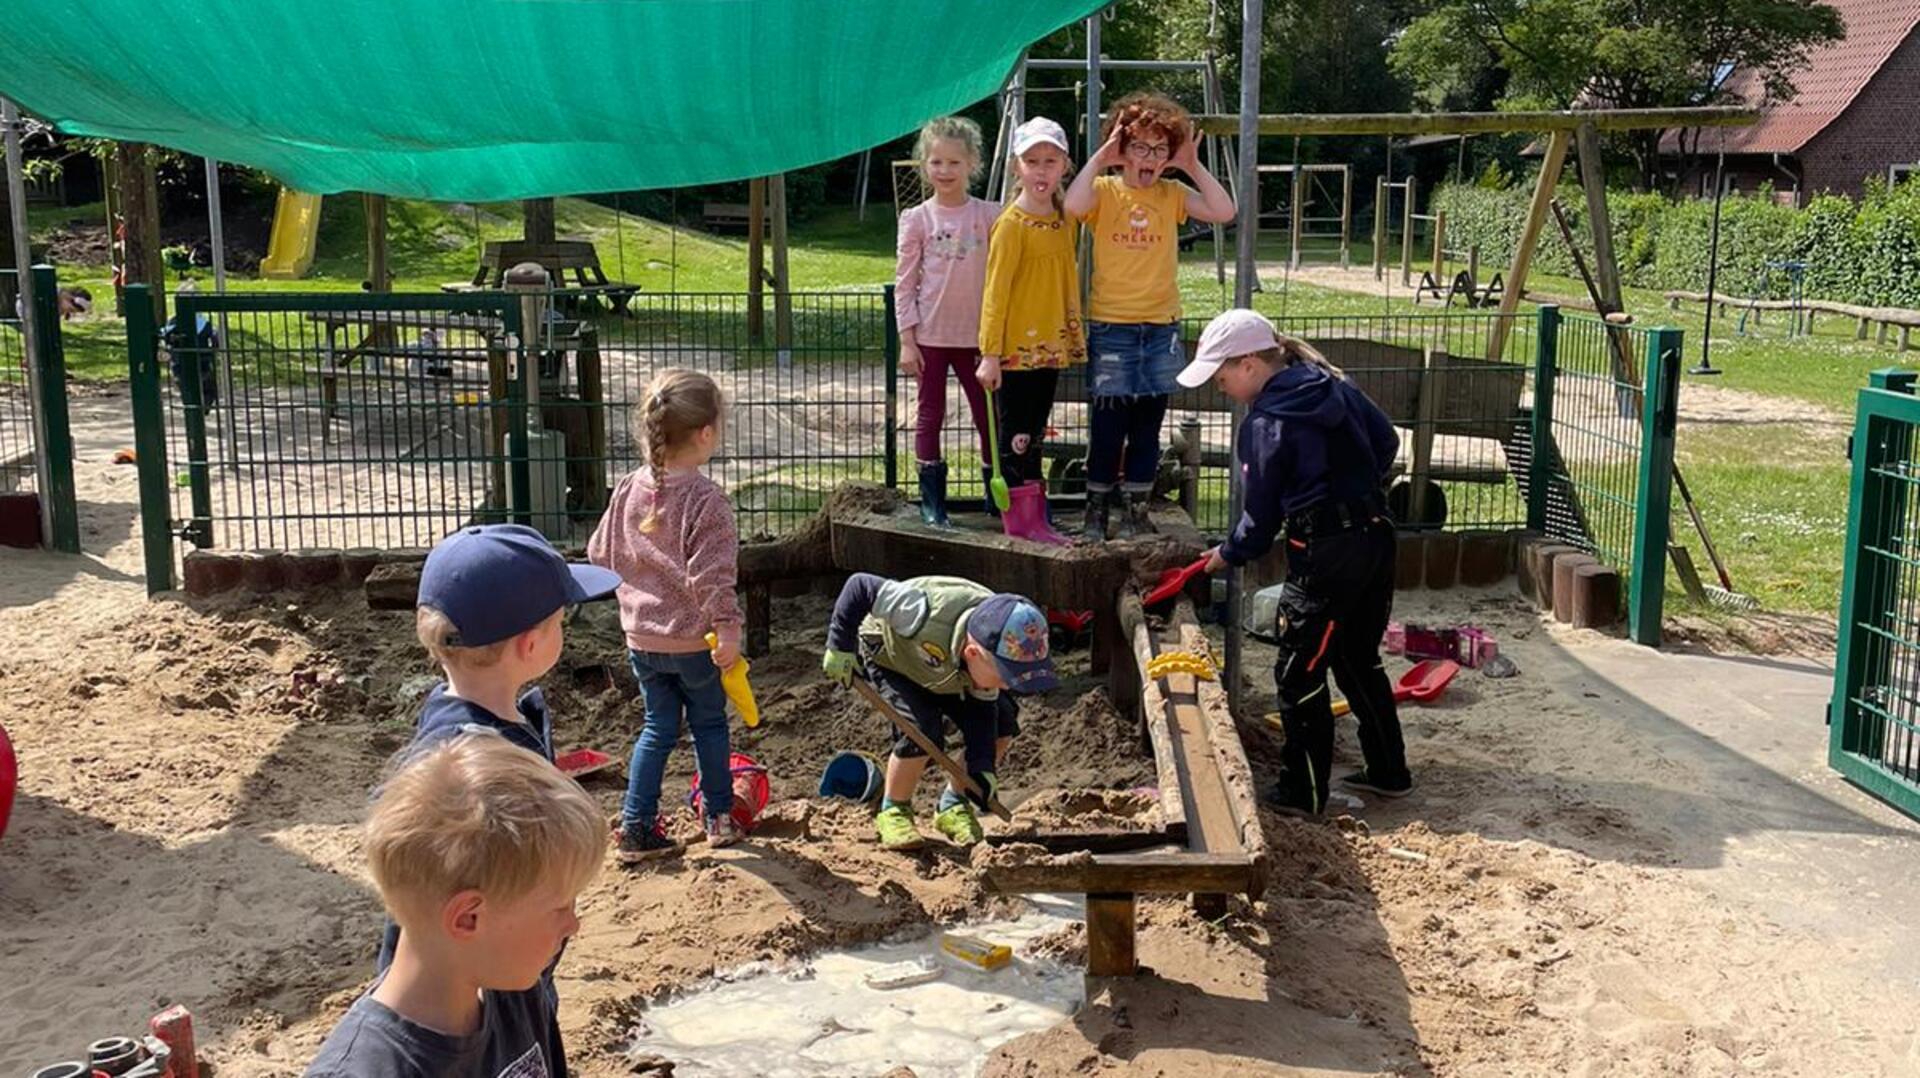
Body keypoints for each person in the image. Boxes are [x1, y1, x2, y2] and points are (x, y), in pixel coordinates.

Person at [374, 521, 622, 1031]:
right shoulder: (486, 769)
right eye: (561, 622)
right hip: (489, 989)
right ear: (532, 645)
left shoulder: (464, 714)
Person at [1180, 309, 1413, 815]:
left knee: (1298, 672)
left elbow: (1259, 519)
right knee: (1356, 657)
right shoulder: (1333, 384)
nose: (1220, 387)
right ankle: (1389, 770)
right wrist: (1355, 486)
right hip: (1375, 536)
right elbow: (1387, 441)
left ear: (1248, 364)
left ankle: (1303, 791)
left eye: (1221, 376)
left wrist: (1228, 552)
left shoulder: (1267, 423)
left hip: (1325, 553)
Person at [305, 732, 607, 1078]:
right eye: (560, 907)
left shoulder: (513, 991)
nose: (573, 925)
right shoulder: (365, 1071)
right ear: (468, 919)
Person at [588, 369, 745, 863]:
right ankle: (718, 818)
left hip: (641, 638)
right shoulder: (706, 500)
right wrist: (728, 628)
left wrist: (640, 587)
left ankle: (636, 826)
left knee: (657, 727)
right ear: (705, 433)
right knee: (709, 725)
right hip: (692, 640)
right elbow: (712, 575)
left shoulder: (629, 489)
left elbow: (599, 552)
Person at [1063, 93, 1236, 540]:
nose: (1149, 158)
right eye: (1138, 146)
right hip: (1112, 326)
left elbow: (1224, 211)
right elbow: (1073, 206)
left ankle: (1136, 513)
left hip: (1160, 329)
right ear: (1121, 149)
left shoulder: (1172, 194)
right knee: (1107, 427)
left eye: (1159, 150)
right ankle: (1095, 515)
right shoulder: (1103, 191)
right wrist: (1101, 160)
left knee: (1148, 427)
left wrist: (1191, 165)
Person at [820, 573, 1058, 850]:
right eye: (1007, 675)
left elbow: (982, 721)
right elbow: (859, 586)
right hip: (894, 658)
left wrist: (982, 769)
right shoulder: (919, 611)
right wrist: (839, 645)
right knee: (922, 730)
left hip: (947, 670)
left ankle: (952, 804)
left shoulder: (988, 659)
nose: (1009, 685)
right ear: (973, 654)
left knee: (1002, 723)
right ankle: (894, 809)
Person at [977, 116, 1084, 540]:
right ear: (1016, 168)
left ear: (1065, 166)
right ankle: (1018, 526)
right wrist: (989, 353)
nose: (1042, 171)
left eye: (1051, 161)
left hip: (1050, 348)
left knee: (1035, 434)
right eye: (1033, 161)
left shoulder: (1064, 219)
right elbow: (995, 292)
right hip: (1016, 352)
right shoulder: (1011, 225)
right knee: (1016, 437)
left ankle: (1037, 519)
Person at [896, 115, 999, 526]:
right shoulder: (917, 219)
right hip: (932, 336)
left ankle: (996, 495)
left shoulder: (989, 215)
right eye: (936, 162)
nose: (944, 171)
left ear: (972, 164)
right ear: (925, 165)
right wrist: (907, 338)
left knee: (987, 415)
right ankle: (932, 502)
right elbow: (904, 283)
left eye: (954, 163)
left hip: (979, 339)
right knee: (930, 414)